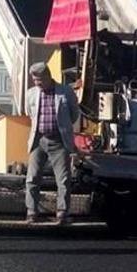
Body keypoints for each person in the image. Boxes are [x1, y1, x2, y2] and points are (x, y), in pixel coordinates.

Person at [24, 62, 80, 224]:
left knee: (63, 179)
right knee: (32, 177)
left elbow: (73, 114)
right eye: (34, 80)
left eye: (39, 80)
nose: (36, 83)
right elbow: (30, 114)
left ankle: (62, 212)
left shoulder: (66, 92)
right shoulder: (31, 94)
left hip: (59, 141)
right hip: (38, 140)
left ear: (48, 76)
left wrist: (63, 129)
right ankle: (31, 211)